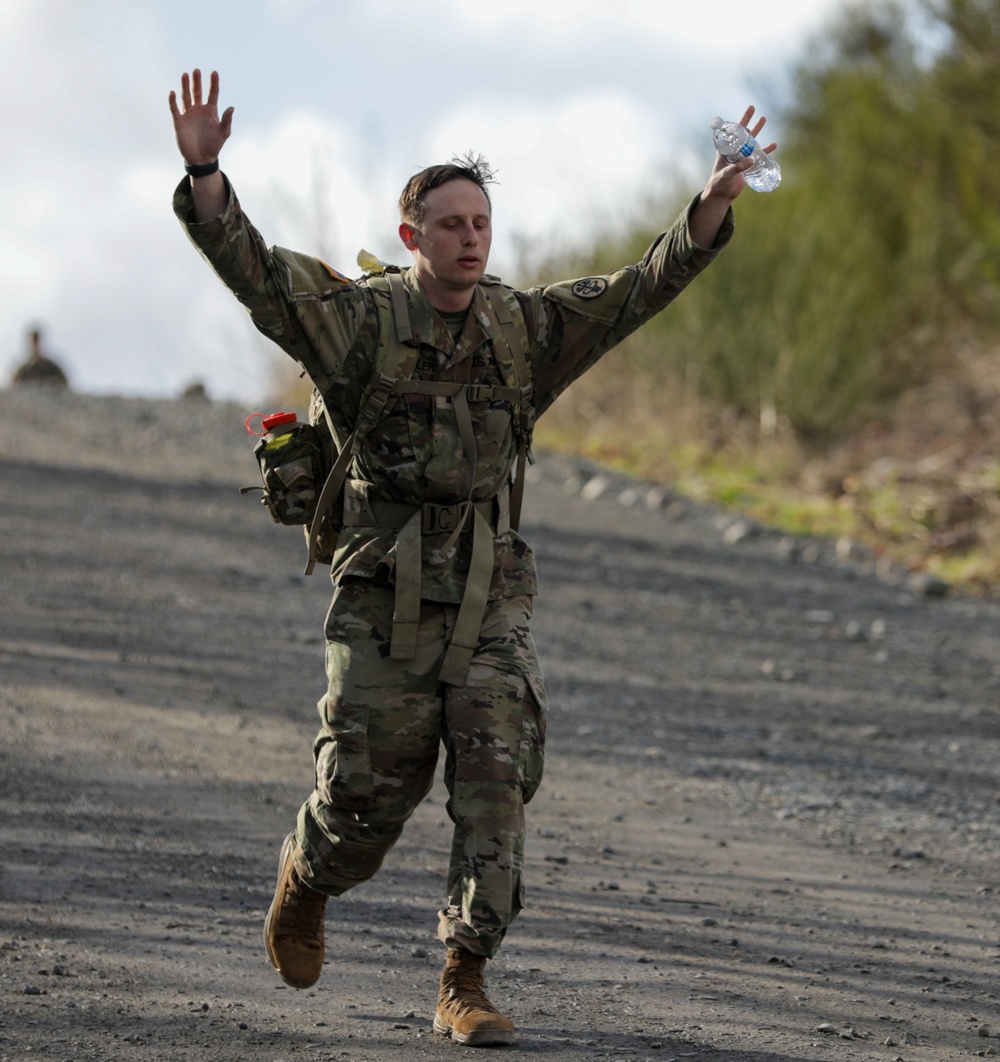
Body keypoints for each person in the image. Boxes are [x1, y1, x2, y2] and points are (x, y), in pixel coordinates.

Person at [169, 68, 774, 1047]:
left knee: (497, 777)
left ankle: (464, 975)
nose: (470, 237)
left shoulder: (522, 329)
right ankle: (309, 878)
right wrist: (205, 173)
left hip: (490, 583)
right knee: (366, 796)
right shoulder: (362, 322)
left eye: (480, 221)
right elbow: (259, 275)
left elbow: (637, 292)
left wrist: (710, 199)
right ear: (411, 236)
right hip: (381, 586)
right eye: (449, 223)